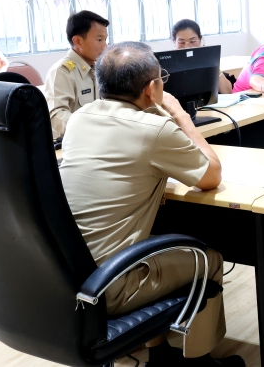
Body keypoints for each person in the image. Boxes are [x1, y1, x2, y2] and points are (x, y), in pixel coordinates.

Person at [59, 42, 242, 367]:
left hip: (67, 275)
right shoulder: (156, 130)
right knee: (209, 259)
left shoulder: (79, 118)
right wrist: (180, 115)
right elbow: (211, 175)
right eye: (162, 79)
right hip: (111, 283)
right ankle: (199, 362)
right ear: (150, 88)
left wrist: (154, 109)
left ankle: (159, 355)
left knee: (155, 241)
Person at [43, 10, 109, 139]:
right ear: (78, 41)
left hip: (98, 138)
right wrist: (90, 129)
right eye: (99, 40)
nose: (105, 46)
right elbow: (56, 115)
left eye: (105, 39)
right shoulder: (62, 72)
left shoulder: (99, 68)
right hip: (73, 142)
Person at [171, 19, 234, 94]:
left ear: (200, 40)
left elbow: (227, 92)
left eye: (193, 41)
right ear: (174, 42)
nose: (187, 47)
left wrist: (211, 62)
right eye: (181, 42)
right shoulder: (168, 66)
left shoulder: (207, 63)